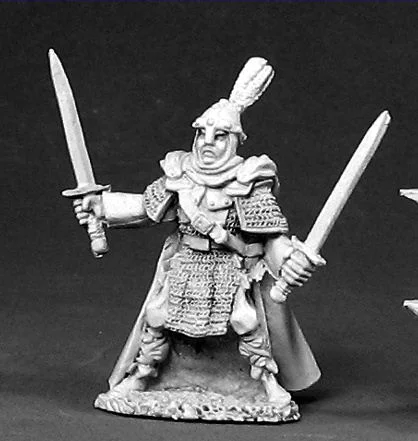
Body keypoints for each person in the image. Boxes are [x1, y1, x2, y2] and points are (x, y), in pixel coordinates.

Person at [74, 58, 323, 420]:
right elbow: (145, 208)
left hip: (230, 267)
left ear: (233, 139)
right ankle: (142, 375)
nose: (207, 142)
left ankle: (268, 383)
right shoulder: (180, 173)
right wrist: (101, 207)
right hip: (185, 262)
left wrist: (290, 258)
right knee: (158, 316)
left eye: (218, 135)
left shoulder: (249, 180)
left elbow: (271, 235)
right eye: (201, 133)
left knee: (245, 320)